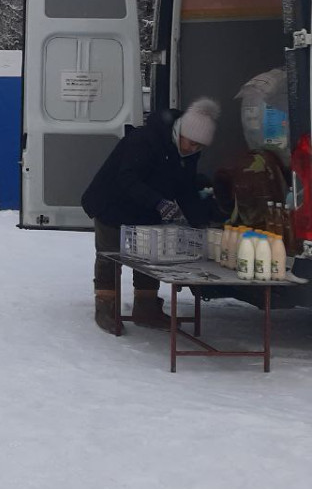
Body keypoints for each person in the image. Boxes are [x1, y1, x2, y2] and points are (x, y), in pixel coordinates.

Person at [82, 97, 220, 332]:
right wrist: (159, 202)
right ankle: (106, 306)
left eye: (199, 146)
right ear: (180, 132)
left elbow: (185, 189)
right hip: (112, 201)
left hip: (146, 208)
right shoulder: (145, 140)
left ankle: (146, 308)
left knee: (148, 256)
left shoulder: (188, 154)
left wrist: (199, 221)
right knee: (109, 255)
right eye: (191, 143)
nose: (193, 149)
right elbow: (127, 178)